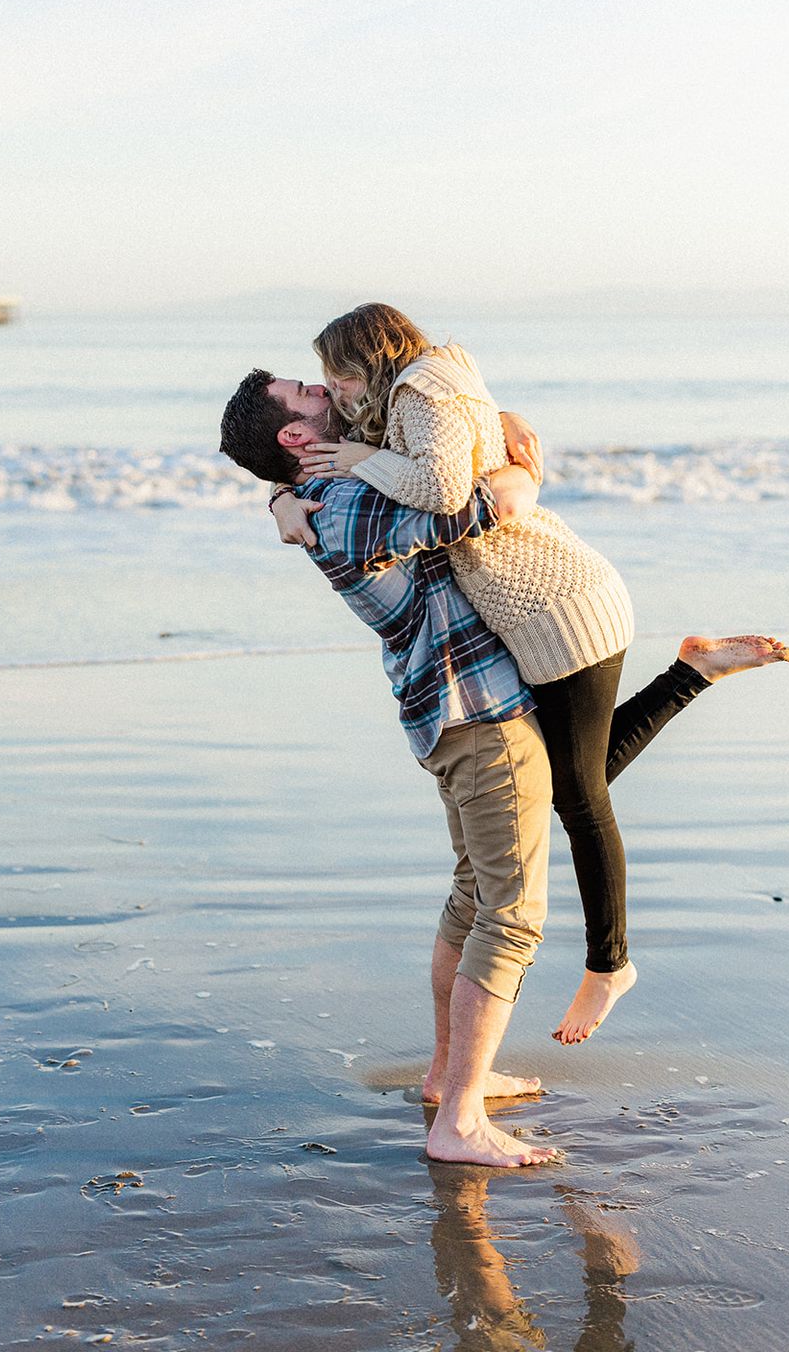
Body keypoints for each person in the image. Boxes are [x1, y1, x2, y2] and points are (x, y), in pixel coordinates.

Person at [269, 304, 789, 1046]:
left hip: (561, 607)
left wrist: (353, 469)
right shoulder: (401, 402)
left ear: (366, 360)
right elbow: (413, 459)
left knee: (578, 796)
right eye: (315, 387)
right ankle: (693, 670)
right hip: (537, 615)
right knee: (567, 782)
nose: (331, 391)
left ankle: (610, 964)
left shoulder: (419, 390)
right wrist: (281, 494)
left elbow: (446, 495)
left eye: (332, 376)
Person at [220, 369, 561, 1168]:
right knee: (511, 916)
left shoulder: (329, 492)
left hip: (445, 711)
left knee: (474, 896)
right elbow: (491, 502)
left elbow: (447, 450)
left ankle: (449, 1079)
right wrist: (529, 469)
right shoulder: (349, 502)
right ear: (296, 439)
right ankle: (461, 1123)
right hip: (479, 713)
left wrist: (273, 501)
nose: (324, 387)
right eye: (306, 392)